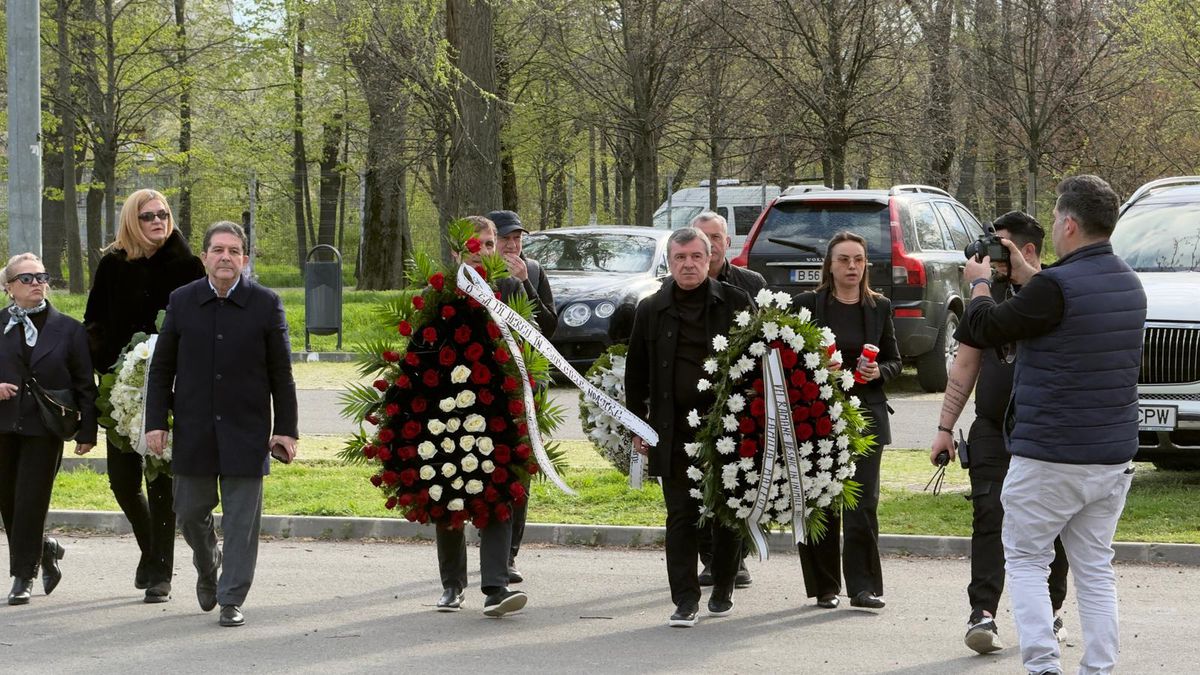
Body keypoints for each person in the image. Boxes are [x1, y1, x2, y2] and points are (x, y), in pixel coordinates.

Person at [962, 175, 1145, 675]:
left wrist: (979, 284)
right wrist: (1026, 274)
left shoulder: (1054, 287)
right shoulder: (1129, 282)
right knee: (1094, 570)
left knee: (1025, 560)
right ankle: (1099, 668)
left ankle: (1043, 665)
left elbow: (983, 327)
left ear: (1067, 223)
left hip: (1049, 455)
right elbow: (1063, 313)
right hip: (1110, 458)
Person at [144, 221, 299, 628]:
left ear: (244, 259)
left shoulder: (266, 304)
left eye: (234, 251)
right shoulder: (182, 300)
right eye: (218, 250)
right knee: (190, 512)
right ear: (204, 258)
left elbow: (282, 373)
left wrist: (286, 429)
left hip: (246, 431)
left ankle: (231, 598)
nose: (226, 257)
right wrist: (155, 421)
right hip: (195, 428)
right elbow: (161, 369)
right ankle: (208, 561)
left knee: (242, 522)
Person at [930, 212, 1070, 654]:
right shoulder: (987, 296)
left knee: (1052, 522)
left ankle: (1050, 609)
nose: (989, 255)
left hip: (1044, 429)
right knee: (989, 513)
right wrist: (944, 428)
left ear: (1027, 250)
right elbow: (966, 363)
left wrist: (980, 287)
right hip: (992, 426)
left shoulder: (1054, 292)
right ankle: (983, 614)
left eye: (1000, 246)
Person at [82, 188, 205, 603]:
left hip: (171, 389)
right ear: (132, 220)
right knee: (121, 481)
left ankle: (161, 575)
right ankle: (151, 549)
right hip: (120, 387)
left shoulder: (188, 266)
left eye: (164, 214)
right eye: (148, 215)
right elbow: (93, 321)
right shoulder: (113, 265)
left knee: (161, 482)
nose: (158, 221)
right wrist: (106, 366)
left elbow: (199, 327)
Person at [626, 227, 753, 628]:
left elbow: (759, 364)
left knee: (727, 512)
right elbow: (636, 374)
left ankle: (724, 586)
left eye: (696, 257)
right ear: (669, 262)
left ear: (709, 256)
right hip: (672, 430)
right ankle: (684, 600)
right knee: (680, 515)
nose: (688, 265)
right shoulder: (651, 308)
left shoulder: (735, 301)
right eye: (680, 258)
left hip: (728, 428)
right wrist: (638, 426)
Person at [793, 231, 901, 611]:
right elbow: (790, 358)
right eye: (844, 260)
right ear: (830, 265)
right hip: (818, 414)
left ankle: (863, 587)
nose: (852, 266)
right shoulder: (807, 304)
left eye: (858, 259)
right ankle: (825, 587)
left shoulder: (879, 306)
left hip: (867, 413)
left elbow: (895, 360)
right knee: (820, 499)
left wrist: (879, 373)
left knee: (862, 502)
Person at [433, 215, 528, 618]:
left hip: (498, 407)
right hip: (447, 409)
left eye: (491, 244)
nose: (486, 252)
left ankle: (496, 587)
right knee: (450, 495)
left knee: (498, 492)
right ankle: (453, 585)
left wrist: (522, 286)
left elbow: (533, 338)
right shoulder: (437, 292)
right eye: (477, 245)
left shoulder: (508, 288)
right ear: (458, 252)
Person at [0, 253, 97, 605]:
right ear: (9, 288)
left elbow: (85, 383)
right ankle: (45, 548)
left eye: (41, 277)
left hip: (45, 427)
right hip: (3, 424)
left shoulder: (68, 329)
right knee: (8, 502)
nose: (37, 283)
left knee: (30, 500)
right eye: (26, 279)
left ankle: (22, 575)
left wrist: (88, 431)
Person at [690, 211, 763, 589]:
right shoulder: (678, 284)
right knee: (700, 482)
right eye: (703, 238)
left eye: (716, 237)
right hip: (693, 399)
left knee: (740, 481)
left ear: (727, 242)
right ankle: (709, 559)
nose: (710, 245)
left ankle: (737, 559)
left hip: (740, 399)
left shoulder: (750, 283)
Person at [487, 209, 557, 584]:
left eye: (517, 238)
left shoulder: (534, 271)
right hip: (484, 383)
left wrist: (526, 284)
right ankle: (489, 543)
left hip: (526, 385)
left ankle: (509, 554)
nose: (513, 245)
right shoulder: (476, 275)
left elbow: (548, 327)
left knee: (519, 472)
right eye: (504, 239)